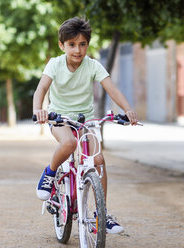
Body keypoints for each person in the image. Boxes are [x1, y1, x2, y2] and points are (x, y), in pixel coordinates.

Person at [33, 17, 138, 234]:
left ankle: (102, 215)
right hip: (59, 118)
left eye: (82, 44)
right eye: (72, 44)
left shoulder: (93, 65)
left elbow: (113, 89)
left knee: (98, 159)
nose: (77, 50)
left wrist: (128, 109)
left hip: (85, 120)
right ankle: (50, 173)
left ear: (88, 45)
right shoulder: (55, 64)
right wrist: (39, 110)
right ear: (62, 45)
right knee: (69, 143)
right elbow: (41, 89)